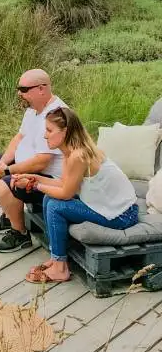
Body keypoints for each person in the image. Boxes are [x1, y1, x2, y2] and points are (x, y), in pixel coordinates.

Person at [11, 106, 139, 283]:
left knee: (56, 205)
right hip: (106, 205)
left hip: (122, 214)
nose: (45, 135)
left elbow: (65, 193)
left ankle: (60, 268)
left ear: (65, 131)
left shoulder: (78, 156)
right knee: (50, 199)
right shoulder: (70, 151)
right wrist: (34, 178)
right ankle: (57, 259)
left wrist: (35, 186)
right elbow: (64, 183)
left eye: (49, 130)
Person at [0, 69, 66, 253]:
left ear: (42, 89)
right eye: (19, 89)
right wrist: (3, 162)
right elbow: (19, 137)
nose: (20, 93)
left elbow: (41, 162)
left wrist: (8, 171)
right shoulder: (33, 111)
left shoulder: (56, 115)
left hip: (50, 177)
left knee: (6, 183)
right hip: (31, 165)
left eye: (24, 89)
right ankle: (9, 215)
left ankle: (20, 233)